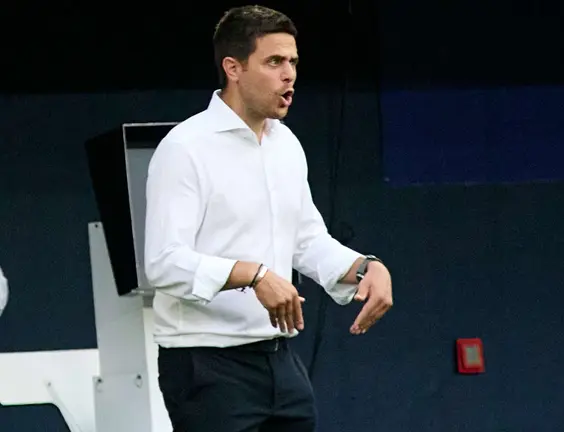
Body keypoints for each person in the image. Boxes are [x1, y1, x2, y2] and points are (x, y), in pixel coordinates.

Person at [143, 5, 393, 432]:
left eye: (293, 62)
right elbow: (162, 263)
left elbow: (307, 240)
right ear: (233, 68)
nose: (289, 74)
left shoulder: (285, 144)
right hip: (206, 364)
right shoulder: (185, 147)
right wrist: (254, 275)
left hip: (280, 362)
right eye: (274, 61)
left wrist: (365, 267)